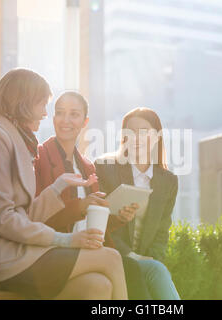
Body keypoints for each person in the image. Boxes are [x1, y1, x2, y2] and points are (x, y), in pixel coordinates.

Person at [0, 68, 128, 300]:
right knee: (110, 258)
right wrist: (66, 240)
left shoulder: (13, 139)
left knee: (96, 286)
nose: (45, 114)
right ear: (23, 103)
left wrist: (57, 187)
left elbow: (21, 216)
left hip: (16, 252)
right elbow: (2, 220)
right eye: (41, 105)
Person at [34, 91, 151, 299]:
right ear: (53, 118)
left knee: (120, 275)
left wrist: (118, 217)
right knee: (113, 273)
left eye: (74, 114)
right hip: (57, 248)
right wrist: (80, 206)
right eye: (60, 113)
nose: (66, 120)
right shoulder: (40, 157)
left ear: (84, 121)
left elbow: (93, 217)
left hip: (88, 248)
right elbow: (36, 216)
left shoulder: (87, 166)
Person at [95, 107, 180, 300]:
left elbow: (162, 231)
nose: (137, 138)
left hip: (148, 261)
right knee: (155, 273)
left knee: (154, 274)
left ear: (157, 136)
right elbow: (99, 221)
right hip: (115, 254)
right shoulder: (106, 169)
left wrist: (152, 258)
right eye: (130, 132)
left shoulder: (168, 181)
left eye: (144, 132)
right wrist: (132, 256)